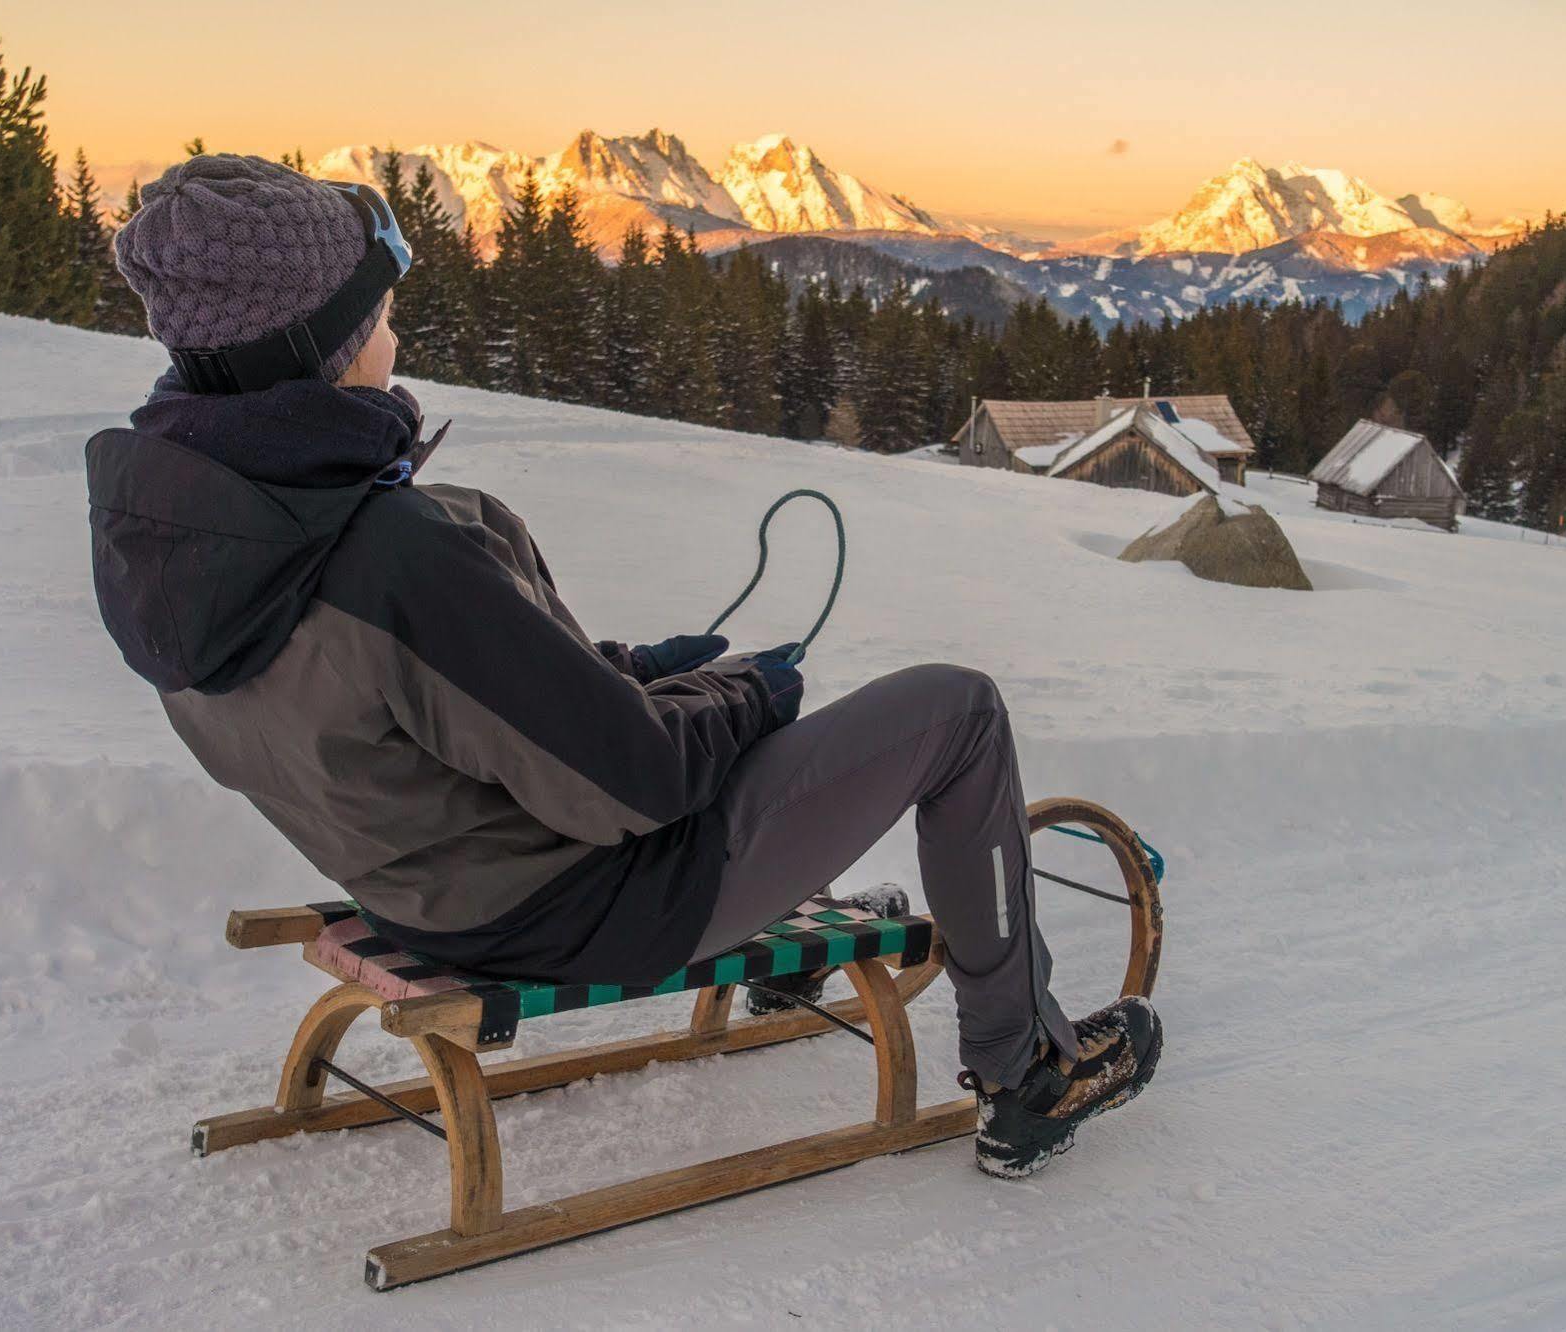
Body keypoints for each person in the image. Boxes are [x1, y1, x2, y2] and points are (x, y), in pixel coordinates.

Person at [86, 154, 1160, 1178]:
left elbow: (434, 708)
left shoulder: (193, 553)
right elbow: (632, 785)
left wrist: (641, 671)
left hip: (423, 887)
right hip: (588, 906)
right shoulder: (390, 554)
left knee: (737, 715)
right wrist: (747, 693)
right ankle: (1024, 1070)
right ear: (326, 340)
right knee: (953, 713)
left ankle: (796, 956)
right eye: (378, 307)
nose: (394, 327)